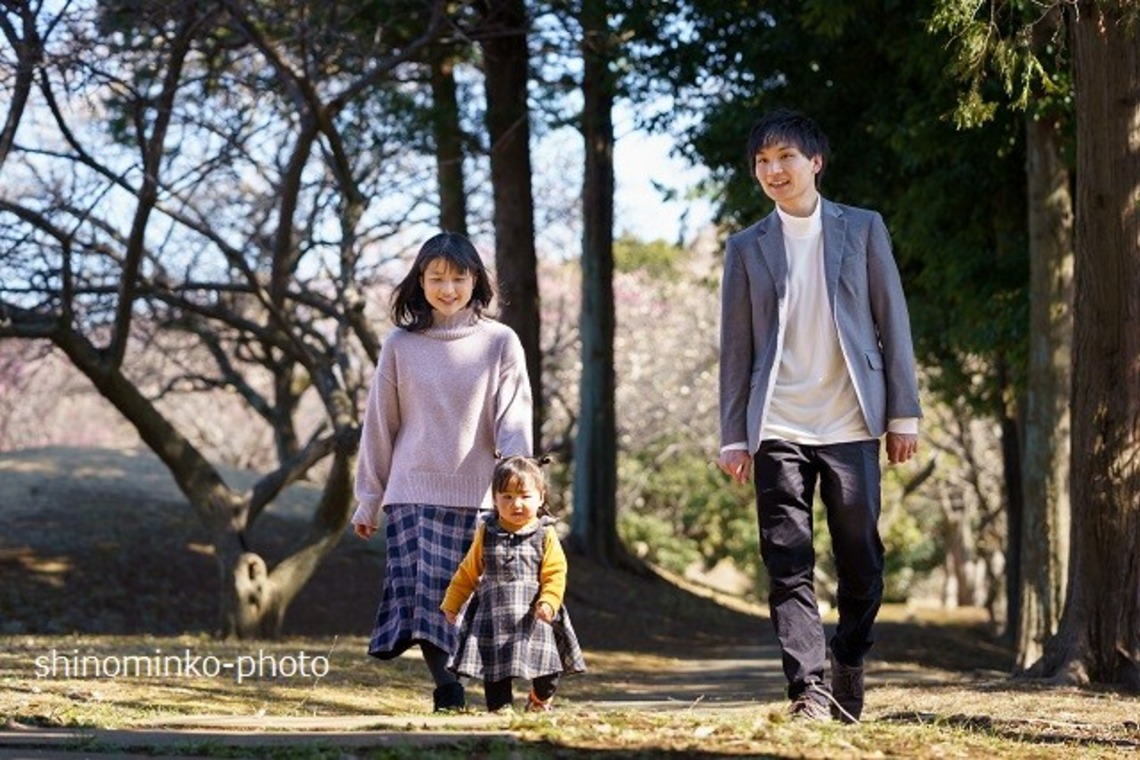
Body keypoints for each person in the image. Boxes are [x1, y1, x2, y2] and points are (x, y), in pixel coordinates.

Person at [716, 109, 921, 723]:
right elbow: (736, 349)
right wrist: (733, 434)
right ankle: (809, 690)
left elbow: (894, 321)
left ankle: (849, 657)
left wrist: (903, 414)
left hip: (852, 419)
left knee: (859, 552)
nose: (774, 170)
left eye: (786, 158)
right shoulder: (746, 246)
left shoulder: (861, 228)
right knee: (787, 556)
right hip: (777, 421)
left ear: (815, 163)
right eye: (763, 161)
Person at [352, 231, 533, 713]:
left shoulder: (500, 342)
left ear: (476, 279)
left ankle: (497, 695)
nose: (448, 288)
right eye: (436, 278)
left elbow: (513, 419)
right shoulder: (401, 345)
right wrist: (368, 496)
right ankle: (447, 690)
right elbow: (380, 424)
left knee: (488, 597)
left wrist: (519, 486)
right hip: (412, 491)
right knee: (429, 596)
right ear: (420, 281)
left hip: (480, 495)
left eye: (458, 277)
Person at [440, 454, 586, 713]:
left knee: (548, 671)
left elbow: (555, 572)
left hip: (535, 616)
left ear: (540, 497)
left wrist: (549, 602)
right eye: (506, 496)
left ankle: (539, 700)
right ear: (494, 499)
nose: (516, 504)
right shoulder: (486, 531)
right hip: (494, 615)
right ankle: (499, 710)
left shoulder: (545, 533)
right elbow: (468, 572)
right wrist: (452, 603)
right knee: (495, 669)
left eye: (524, 496)